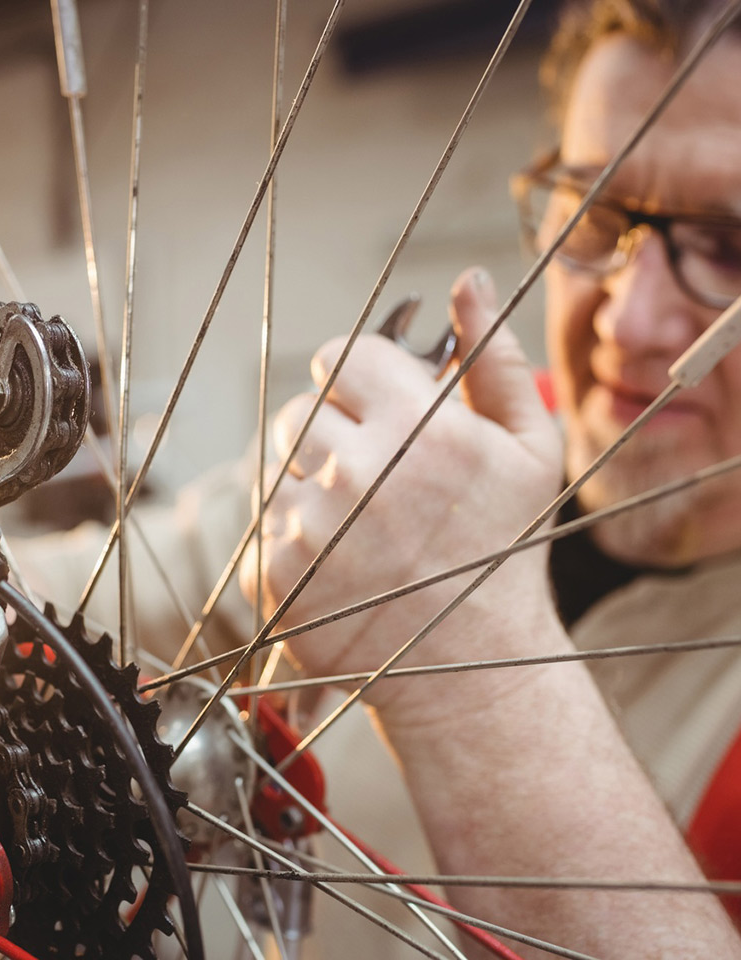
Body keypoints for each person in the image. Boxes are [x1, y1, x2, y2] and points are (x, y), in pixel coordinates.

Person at [241, 0, 741, 954]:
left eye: (732, 247)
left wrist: (472, 662)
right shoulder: (435, 443)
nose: (629, 326)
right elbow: (47, 584)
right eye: (596, 217)